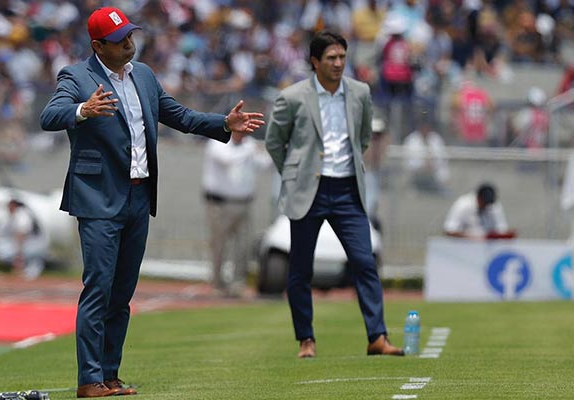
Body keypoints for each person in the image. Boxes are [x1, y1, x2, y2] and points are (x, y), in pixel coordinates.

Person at [39, 7, 264, 398]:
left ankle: (109, 375)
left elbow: (178, 115)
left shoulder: (143, 74)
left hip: (139, 196)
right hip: (98, 198)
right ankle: (89, 380)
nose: (129, 43)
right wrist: (82, 110)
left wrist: (222, 124)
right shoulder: (76, 77)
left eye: (130, 35)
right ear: (97, 46)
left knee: (122, 294)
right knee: (98, 289)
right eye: (120, 40)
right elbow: (49, 115)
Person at [265, 31, 404, 359]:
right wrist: (294, 172)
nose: (339, 63)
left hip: (346, 190)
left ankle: (377, 337)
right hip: (308, 190)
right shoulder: (293, 97)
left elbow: (365, 136)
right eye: (331, 58)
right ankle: (306, 340)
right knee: (300, 269)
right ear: (315, 62)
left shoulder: (359, 93)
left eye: (342, 57)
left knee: (364, 262)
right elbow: (274, 141)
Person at [202, 130, 271, 298]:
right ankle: (217, 283)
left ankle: (238, 284)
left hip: (244, 203)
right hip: (220, 204)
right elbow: (228, 160)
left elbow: (264, 164)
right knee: (219, 245)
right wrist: (250, 149)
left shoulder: (249, 144)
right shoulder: (217, 142)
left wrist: (271, 149)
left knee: (244, 246)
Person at [0, 198, 48, 280]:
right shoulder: (20, 213)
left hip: (35, 243)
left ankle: (31, 268)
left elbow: (21, 234)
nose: (8, 209)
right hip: (33, 242)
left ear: (14, 206)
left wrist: (18, 255)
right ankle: (28, 268)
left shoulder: (22, 215)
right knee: (3, 249)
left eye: (10, 207)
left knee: (6, 251)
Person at [443, 183, 514, 240]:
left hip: (488, 246)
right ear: (478, 198)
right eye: (485, 202)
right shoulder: (463, 204)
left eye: (488, 203)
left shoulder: (494, 206)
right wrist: (473, 237)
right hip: (463, 245)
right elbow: (449, 230)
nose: (486, 206)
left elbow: (501, 229)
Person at [402, 111, 449, 195]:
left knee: (446, 192)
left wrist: (432, 164)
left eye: (427, 126)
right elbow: (409, 163)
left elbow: (442, 159)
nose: (425, 129)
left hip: (433, 175)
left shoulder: (436, 139)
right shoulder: (411, 140)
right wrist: (422, 166)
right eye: (423, 126)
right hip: (417, 176)